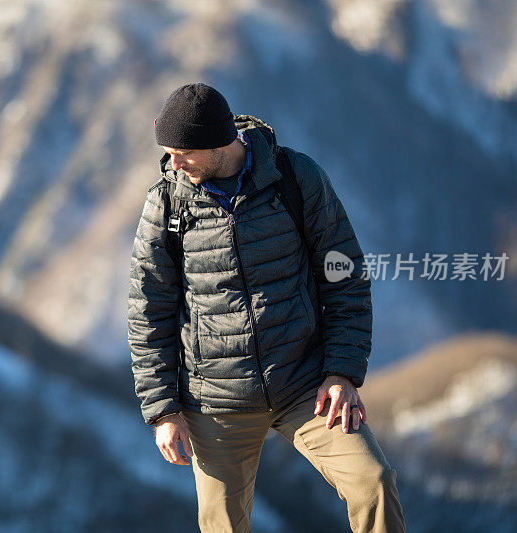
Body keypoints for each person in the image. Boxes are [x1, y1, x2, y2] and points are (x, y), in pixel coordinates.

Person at [127, 83, 406, 533]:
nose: (173, 164)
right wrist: (163, 410)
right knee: (222, 526)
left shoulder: (295, 178)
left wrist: (342, 372)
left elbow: (343, 275)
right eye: (168, 152)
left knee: (374, 481)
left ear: (221, 141)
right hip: (215, 399)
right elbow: (148, 311)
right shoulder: (166, 205)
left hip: (305, 384)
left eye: (183, 153)